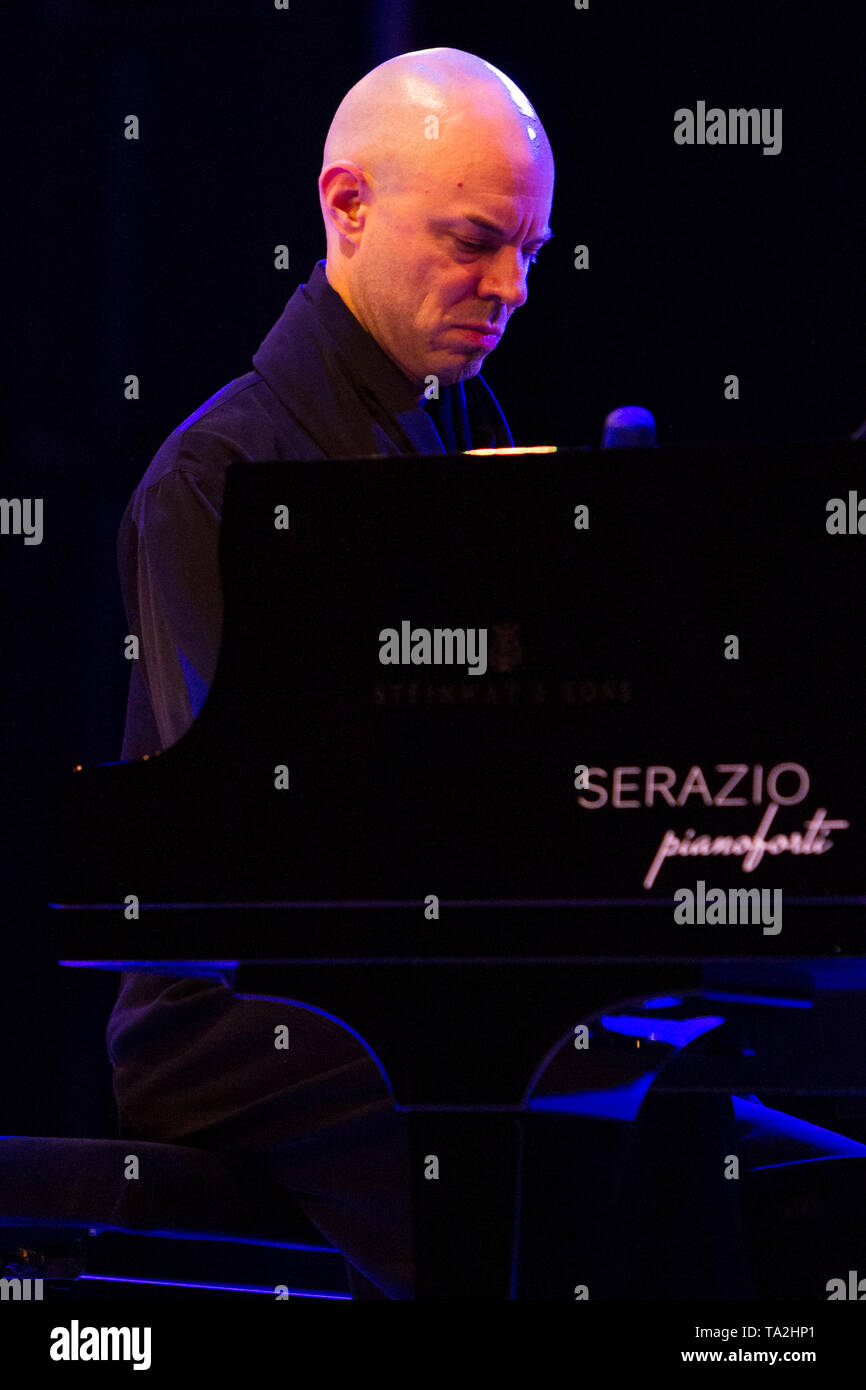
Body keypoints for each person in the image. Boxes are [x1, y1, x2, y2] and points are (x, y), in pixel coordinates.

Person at [105, 45, 555, 1300]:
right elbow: (234, 842)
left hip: (434, 966)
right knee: (520, 1143)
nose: (511, 285)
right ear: (345, 206)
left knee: (690, 1110)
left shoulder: (468, 425)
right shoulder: (218, 477)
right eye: (475, 241)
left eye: (530, 247)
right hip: (230, 1007)